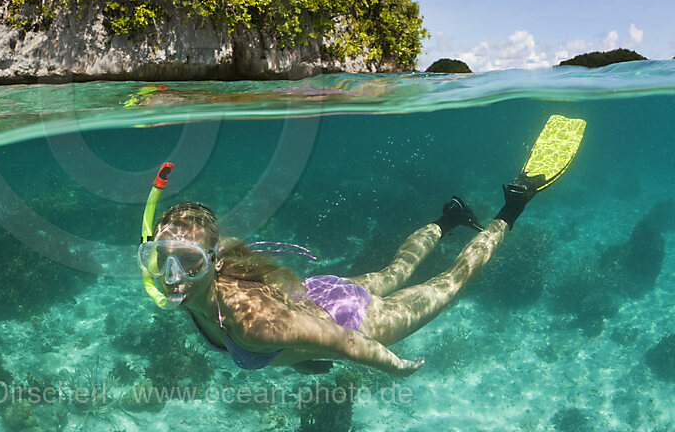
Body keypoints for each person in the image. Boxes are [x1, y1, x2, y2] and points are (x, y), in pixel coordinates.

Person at [137, 115, 585, 377]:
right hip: (318, 294)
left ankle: (514, 204)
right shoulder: (195, 291)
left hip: (351, 319)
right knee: (394, 271)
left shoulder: (255, 325)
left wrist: (396, 368)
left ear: (213, 263)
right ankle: (447, 219)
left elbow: (344, 342)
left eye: (189, 263)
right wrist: (299, 358)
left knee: (450, 282)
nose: (172, 278)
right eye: (162, 261)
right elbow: (293, 336)